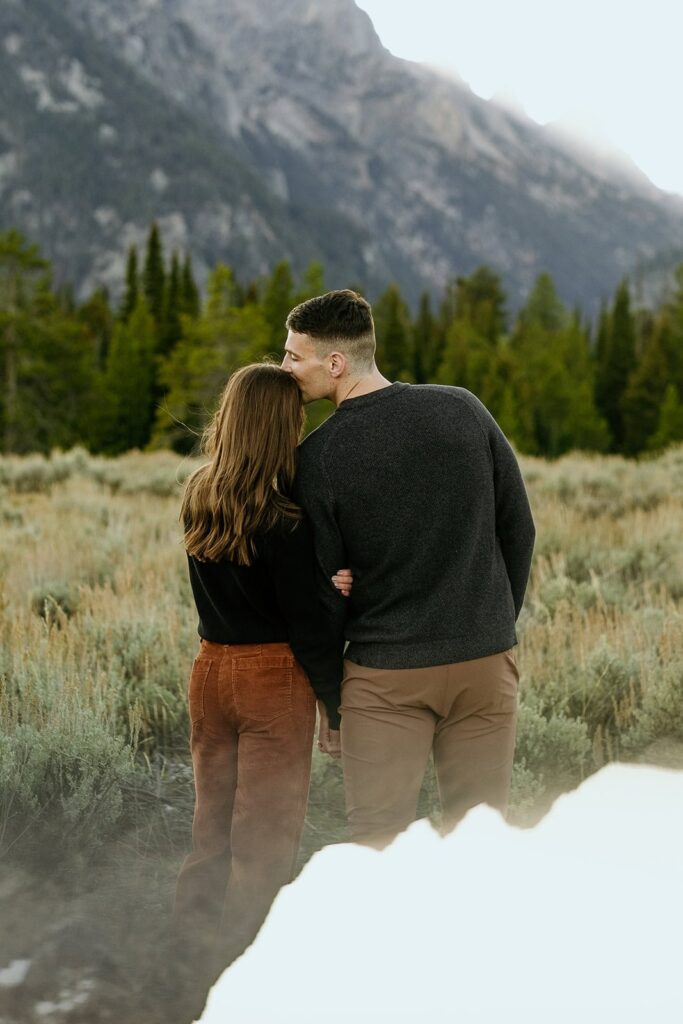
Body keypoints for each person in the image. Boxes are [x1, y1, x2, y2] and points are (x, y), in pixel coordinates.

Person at [282, 289, 536, 848]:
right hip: (484, 665)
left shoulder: (317, 459)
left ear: (335, 363)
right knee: (482, 838)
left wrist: (331, 697)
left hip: (384, 678)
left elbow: (325, 590)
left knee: (378, 845)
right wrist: (492, 624)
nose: (285, 369)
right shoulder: (463, 408)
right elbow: (519, 528)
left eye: (294, 356)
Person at [173, 362, 352, 970]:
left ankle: (189, 954)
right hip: (272, 679)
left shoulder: (201, 493)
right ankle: (249, 969)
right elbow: (306, 624)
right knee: (265, 841)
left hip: (208, 671)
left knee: (212, 826)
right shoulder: (285, 518)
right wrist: (335, 701)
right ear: (278, 426)